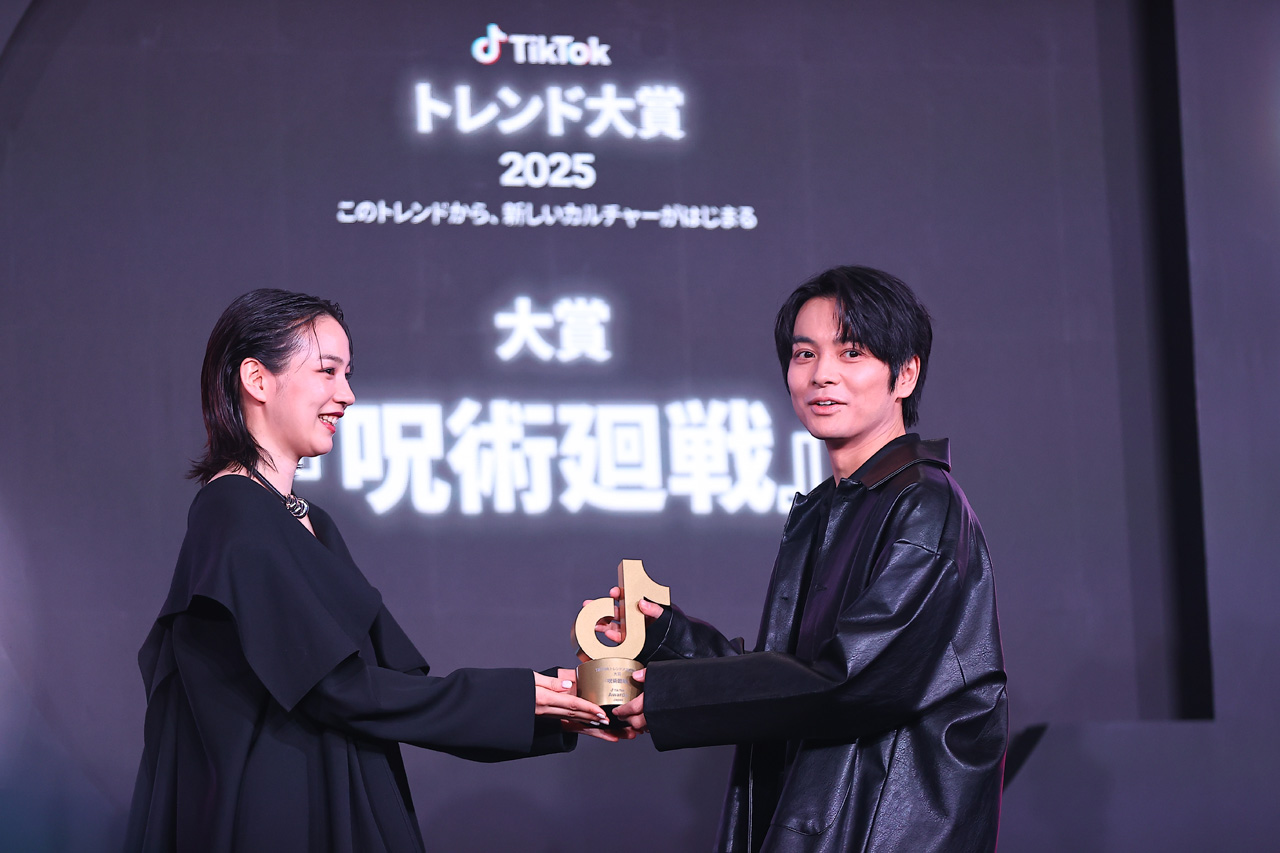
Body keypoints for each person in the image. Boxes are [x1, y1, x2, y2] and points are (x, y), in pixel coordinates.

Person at [125, 289, 617, 853]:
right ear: (257, 379)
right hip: (282, 814)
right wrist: (522, 698)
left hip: (336, 793)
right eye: (327, 371)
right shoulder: (233, 512)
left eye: (348, 374)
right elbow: (339, 689)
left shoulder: (309, 520)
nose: (347, 395)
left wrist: (566, 700)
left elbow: (393, 690)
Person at [605, 266, 1007, 852]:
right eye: (804, 354)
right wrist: (664, 639)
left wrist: (671, 697)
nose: (822, 374)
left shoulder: (923, 505)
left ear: (905, 374)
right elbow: (793, 675)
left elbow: (850, 682)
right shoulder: (832, 507)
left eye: (852, 352)